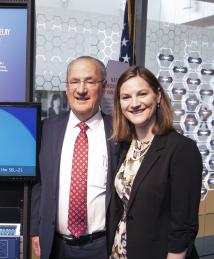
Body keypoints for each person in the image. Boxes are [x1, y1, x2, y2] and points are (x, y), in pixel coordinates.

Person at [107, 66, 202, 259]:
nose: (134, 103)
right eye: (126, 97)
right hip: (120, 251)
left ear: (157, 96)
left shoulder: (182, 149)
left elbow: (183, 225)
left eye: (142, 94)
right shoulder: (126, 145)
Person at [30, 56, 119, 259]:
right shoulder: (47, 129)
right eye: (74, 81)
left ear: (104, 86)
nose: (81, 89)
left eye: (89, 81)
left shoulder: (118, 132)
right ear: (67, 86)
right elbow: (39, 183)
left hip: (102, 246)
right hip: (55, 245)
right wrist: (36, 229)